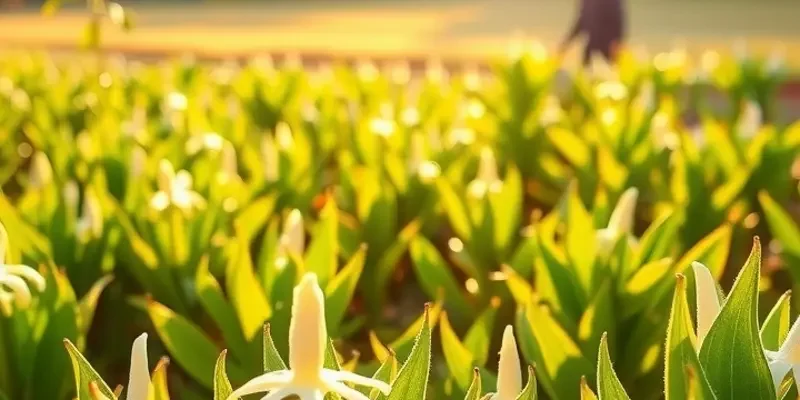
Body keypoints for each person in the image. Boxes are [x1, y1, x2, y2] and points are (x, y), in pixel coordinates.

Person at [559, 0, 626, 66]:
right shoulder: (586, 2)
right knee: (586, 57)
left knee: (620, 62)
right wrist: (566, 43)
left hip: (609, 41)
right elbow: (581, 21)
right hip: (593, 41)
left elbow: (618, 15)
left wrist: (618, 40)